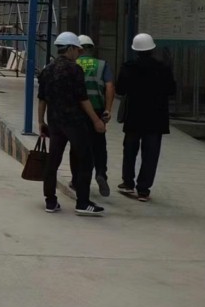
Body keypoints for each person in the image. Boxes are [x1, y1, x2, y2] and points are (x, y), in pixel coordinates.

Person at [37, 31, 107, 216]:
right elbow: (83, 99)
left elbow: (42, 99)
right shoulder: (75, 70)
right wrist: (96, 120)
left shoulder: (47, 69)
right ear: (70, 49)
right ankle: (83, 203)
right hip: (74, 122)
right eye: (78, 50)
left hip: (54, 122)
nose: (79, 53)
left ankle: (50, 201)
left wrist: (41, 122)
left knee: (53, 161)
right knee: (86, 159)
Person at [115, 33, 177, 202]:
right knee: (151, 154)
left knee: (130, 151)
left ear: (135, 50)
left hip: (134, 116)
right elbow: (171, 90)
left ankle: (128, 182)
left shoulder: (128, 67)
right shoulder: (163, 68)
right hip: (156, 118)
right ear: (152, 49)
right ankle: (143, 190)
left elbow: (120, 89)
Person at [70, 34, 115, 197]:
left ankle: (76, 180)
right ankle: (101, 173)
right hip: (97, 110)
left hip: (77, 111)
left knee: (77, 146)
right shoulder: (102, 65)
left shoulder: (73, 64)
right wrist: (108, 109)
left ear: (78, 48)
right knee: (99, 145)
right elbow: (110, 86)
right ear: (92, 48)